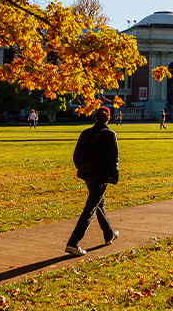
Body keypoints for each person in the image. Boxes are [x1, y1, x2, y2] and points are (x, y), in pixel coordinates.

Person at [66, 107, 120, 256]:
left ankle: (109, 235)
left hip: (87, 174)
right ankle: (73, 243)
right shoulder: (110, 135)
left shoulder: (85, 133)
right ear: (108, 119)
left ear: (95, 118)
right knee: (90, 207)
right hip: (100, 176)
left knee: (98, 203)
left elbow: (76, 155)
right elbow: (113, 159)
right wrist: (115, 177)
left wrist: (83, 169)